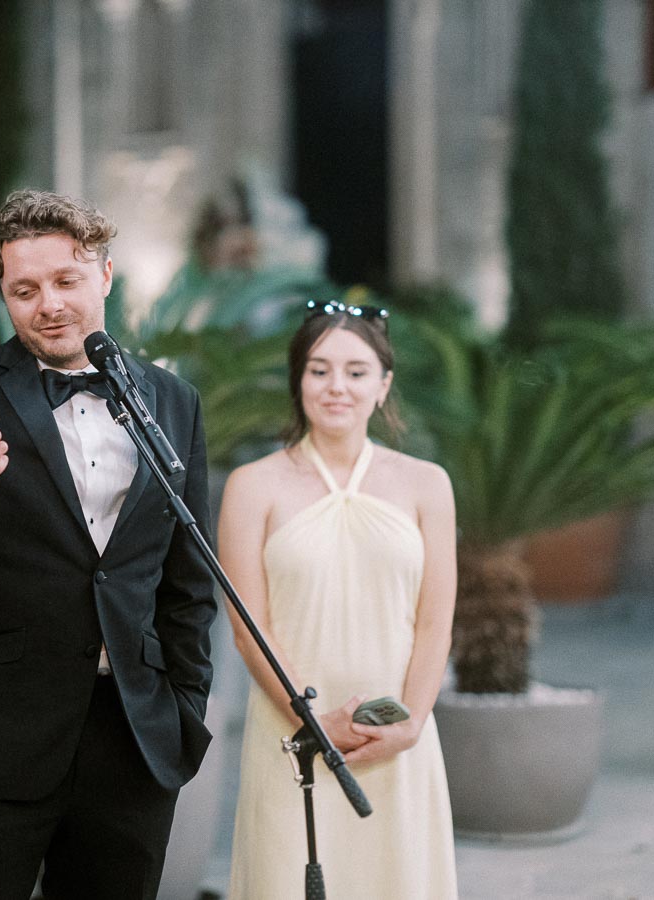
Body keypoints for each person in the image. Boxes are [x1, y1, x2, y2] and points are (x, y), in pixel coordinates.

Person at [0, 189, 217, 900]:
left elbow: (189, 580)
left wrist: (183, 705)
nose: (48, 305)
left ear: (106, 276)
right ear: (3, 292)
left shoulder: (174, 402)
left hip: (133, 738)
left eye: (66, 282)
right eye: (24, 290)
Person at [220, 300, 458, 899]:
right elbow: (251, 628)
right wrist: (313, 722)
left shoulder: (427, 484)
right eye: (319, 369)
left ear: (384, 386)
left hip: (397, 733)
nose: (337, 387)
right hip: (294, 733)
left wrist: (410, 725)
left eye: (356, 372)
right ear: (298, 380)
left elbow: (435, 624)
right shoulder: (253, 487)